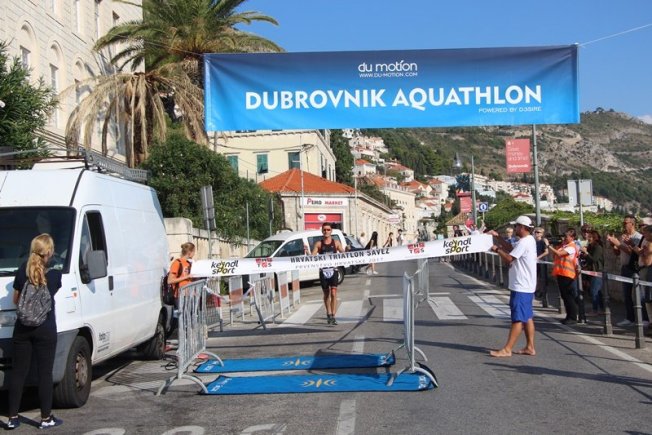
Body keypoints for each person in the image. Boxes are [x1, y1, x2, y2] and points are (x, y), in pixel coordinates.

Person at [7, 234, 63, 430]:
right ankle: (45, 419)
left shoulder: (22, 271)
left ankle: (12, 418)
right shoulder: (54, 275)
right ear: (49, 252)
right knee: (44, 374)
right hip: (45, 329)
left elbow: (16, 300)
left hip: (22, 329)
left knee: (18, 373)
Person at [488, 215, 537, 357]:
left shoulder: (524, 242)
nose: (515, 229)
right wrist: (498, 237)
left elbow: (510, 258)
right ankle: (530, 347)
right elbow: (510, 248)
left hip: (521, 286)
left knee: (518, 318)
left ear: (522, 227)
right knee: (527, 317)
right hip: (527, 285)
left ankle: (507, 349)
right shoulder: (528, 240)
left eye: (516, 226)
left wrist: (497, 250)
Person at [606, 214, 643, 326]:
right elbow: (618, 253)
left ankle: (643, 319)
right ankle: (629, 318)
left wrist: (618, 243)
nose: (623, 224)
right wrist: (614, 245)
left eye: (625, 223)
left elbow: (633, 253)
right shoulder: (623, 236)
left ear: (632, 224)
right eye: (623, 222)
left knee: (640, 295)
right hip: (624, 267)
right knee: (626, 295)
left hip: (634, 268)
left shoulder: (638, 237)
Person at [312, 223, 345, 325]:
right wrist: (307, 252)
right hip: (323, 272)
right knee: (326, 294)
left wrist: (347, 250)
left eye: (328, 230)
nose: (326, 231)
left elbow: (344, 254)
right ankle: (329, 313)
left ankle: (333, 316)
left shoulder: (336, 243)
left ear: (331, 231)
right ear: (322, 231)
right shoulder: (319, 244)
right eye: (324, 230)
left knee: (333, 293)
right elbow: (312, 257)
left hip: (333, 270)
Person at [547, 229, 579, 325]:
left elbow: (559, 254)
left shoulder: (572, 247)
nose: (564, 238)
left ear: (572, 237)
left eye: (566, 236)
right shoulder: (564, 246)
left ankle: (573, 317)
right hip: (561, 273)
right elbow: (555, 255)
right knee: (564, 296)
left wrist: (548, 246)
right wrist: (555, 245)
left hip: (568, 274)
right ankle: (568, 316)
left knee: (569, 297)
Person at [580, 230, 604, 316]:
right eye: (588, 237)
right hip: (591, 271)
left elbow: (594, 259)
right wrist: (583, 254)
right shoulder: (590, 247)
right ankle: (601, 309)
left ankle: (595, 310)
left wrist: (586, 253)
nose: (588, 238)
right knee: (598, 291)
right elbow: (587, 258)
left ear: (594, 238)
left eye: (590, 237)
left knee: (594, 291)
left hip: (597, 271)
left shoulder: (598, 247)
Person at [167, 242, 196, 306]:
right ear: (189, 252)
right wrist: (186, 277)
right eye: (194, 251)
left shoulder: (189, 263)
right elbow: (170, 281)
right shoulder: (177, 263)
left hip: (190, 295)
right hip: (180, 296)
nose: (194, 254)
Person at [533, 227, 550, 307]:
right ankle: (536, 291)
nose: (536, 233)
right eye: (535, 232)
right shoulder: (533, 241)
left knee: (542, 278)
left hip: (542, 261)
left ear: (542, 234)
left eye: (538, 232)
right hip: (535, 262)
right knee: (535, 277)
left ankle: (543, 297)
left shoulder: (543, 241)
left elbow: (546, 252)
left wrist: (538, 257)